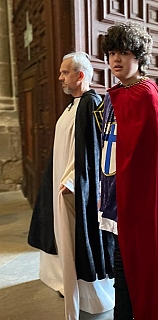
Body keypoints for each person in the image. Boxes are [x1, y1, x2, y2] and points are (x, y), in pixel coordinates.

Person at [28, 51, 115, 320]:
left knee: (80, 241)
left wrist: (72, 181)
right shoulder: (72, 105)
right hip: (64, 186)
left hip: (77, 190)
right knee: (65, 240)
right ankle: (70, 286)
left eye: (65, 72)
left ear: (80, 75)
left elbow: (91, 150)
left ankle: (91, 297)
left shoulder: (91, 104)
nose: (60, 77)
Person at [99, 22, 158, 320]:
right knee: (121, 265)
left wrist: (130, 194)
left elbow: (152, 155)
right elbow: (109, 147)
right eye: (112, 53)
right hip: (117, 196)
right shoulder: (115, 95)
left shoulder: (145, 94)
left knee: (135, 267)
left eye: (124, 52)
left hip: (139, 201)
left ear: (139, 57)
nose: (116, 59)